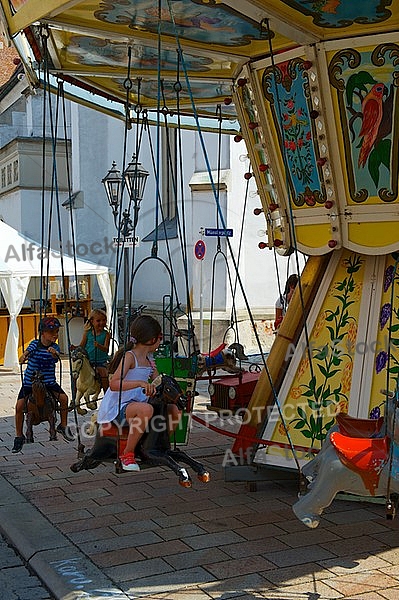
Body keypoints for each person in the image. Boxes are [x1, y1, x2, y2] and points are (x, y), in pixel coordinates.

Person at [97, 315, 182, 472]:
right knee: (146, 409)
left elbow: (158, 381)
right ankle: (127, 454)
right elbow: (114, 384)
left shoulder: (150, 360)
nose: (160, 342)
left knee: (174, 411)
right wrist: (140, 383)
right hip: (119, 407)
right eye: (159, 338)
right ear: (151, 339)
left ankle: (155, 447)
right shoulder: (130, 357)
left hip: (138, 404)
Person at [12, 316, 75, 453]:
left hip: (48, 383)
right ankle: (19, 435)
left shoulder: (55, 347)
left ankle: (63, 425)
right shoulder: (34, 344)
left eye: (57, 332)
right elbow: (25, 354)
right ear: (43, 333)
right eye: (52, 332)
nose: (55, 335)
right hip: (31, 382)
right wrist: (24, 357)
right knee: (19, 406)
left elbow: (56, 356)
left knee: (64, 399)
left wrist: (55, 354)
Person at [75, 309, 110, 393]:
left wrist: (98, 346)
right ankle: (74, 395)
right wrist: (74, 347)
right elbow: (82, 345)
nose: (101, 323)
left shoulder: (106, 334)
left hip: (100, 361)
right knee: (75, 374)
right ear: (91, 321)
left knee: (103, 375)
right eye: (98, 321)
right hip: (88, 360)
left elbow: (106, 349)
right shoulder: (87, 333)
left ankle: (107, 394)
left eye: (104, 320)